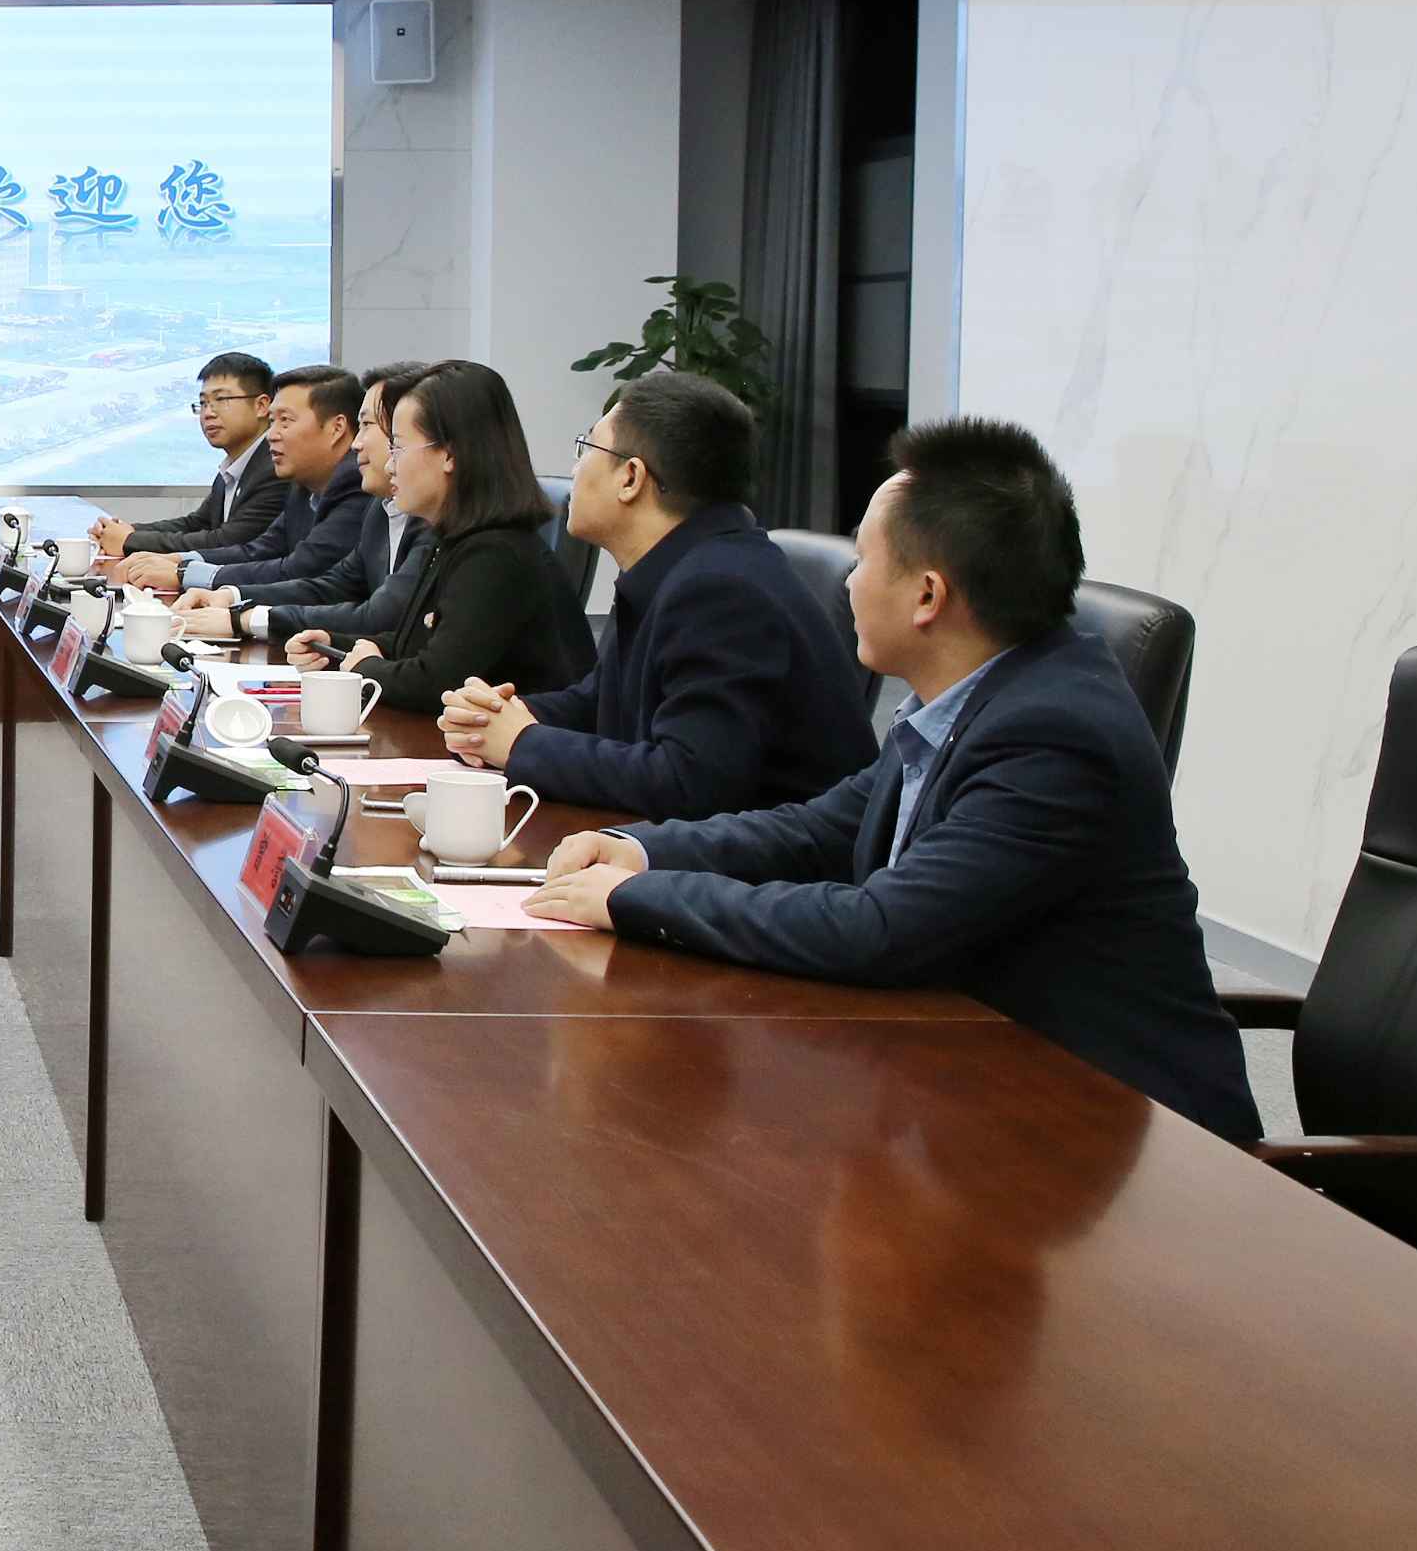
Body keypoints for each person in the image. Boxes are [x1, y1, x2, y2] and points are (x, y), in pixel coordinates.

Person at [525, 418, 1261, 1141]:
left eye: (864, 560)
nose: (848, 582)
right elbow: (820, 829)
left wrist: (635, 900)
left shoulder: (1053, 736)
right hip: (979, 1073)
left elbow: (880, 929)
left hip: (1125, 1129)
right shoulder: (975, 698)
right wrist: (643, 850)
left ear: (928, 596)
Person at [438, 372, 875, 819]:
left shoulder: (720, 590)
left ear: (630, 477)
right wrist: (496, 717)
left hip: (768, 857)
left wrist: (522, 743)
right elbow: (602, 703)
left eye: (586, 448)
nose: (575, 469)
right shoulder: (679, 566)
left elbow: (688, 780)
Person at [286, 359, 589, 718]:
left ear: (450, 453)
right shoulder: (454, 539)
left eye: (398, 448)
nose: (390, 465)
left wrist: (364, 668)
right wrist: (335, 646)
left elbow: (437, 682)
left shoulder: (496, 555)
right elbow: (419, 643)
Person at [176, 362, 431, 648]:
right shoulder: (377, 505)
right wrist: (231, 596)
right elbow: (334, 584)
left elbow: (378, 614)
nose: (356, 443)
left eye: (367, 426)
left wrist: (244, 618)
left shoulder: (424, 517)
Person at [116, 365, 366, 595]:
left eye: (285, 421)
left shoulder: (356, 483)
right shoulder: (303, 483)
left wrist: (183, 573)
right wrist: (179, 560)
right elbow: (261, 549)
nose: (272, 435)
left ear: (336, 428)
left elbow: (297, 569)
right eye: (273, 421)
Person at [88, 351, 285, 562]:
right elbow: (197, 523)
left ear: (261, 406)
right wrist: (124, 531)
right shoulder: (236, 465)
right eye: (203, 403)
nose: (208, 413)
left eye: (221, 399)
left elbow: (227, 542)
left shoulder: (276, 466)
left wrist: (130, 540)